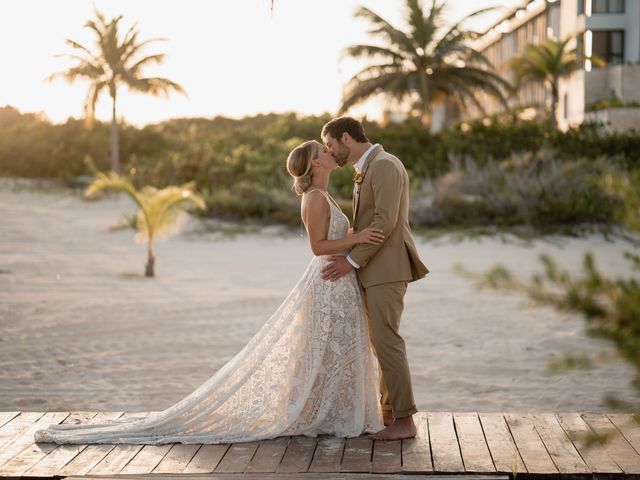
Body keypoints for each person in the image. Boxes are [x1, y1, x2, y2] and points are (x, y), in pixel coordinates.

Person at [33, 139, 385, 445]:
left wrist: (354, 238)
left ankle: (326, 413)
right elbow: (318, 246)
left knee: (327, 350)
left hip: (336, 282)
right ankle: (316, 415)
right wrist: (356, 238)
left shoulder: (321, 194)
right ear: (315, 163)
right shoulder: (315, 197)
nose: (328, 151)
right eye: (323, 150)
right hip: (326, 280)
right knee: (318, 347)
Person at [321, 116, 428, 441]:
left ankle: (405, 421)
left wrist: (351, 261)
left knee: (388, 343)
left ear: (345, 139)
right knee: (380, 343)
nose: (330, 152)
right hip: (376, 269)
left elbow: (384, 222)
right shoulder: (368, 168)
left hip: (387, 269)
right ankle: (389, 412)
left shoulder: (384, 166)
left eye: (330, 145)